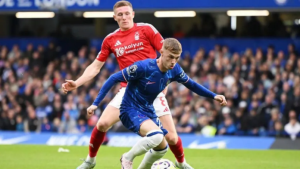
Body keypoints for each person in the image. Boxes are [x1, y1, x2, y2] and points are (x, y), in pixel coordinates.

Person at [62, 1, 193, 169]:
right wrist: (77, 83)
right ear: (114, 17)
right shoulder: (110, 39)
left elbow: (168, 54)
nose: (124, 17)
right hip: (128, 90)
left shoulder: (146, 29)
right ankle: (90, 161)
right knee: (102, 124)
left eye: (127, 13)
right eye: (120, 14)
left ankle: (181, 163)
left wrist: (165, 79)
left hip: (152, 89)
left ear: (133, 14)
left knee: (172, 138)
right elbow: (95, 66)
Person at [87, 38, 227, 168]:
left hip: (148, 110)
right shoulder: (143, 67)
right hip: (130, 109)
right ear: (161, 52)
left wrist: (214, 96)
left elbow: (192, 85)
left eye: (177, 58)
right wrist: (96, 103)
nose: (173, 62)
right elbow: (113, 78)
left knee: (162, 148)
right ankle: (127, 157)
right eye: (170, 57)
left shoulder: (175, 70)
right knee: (157, 136)